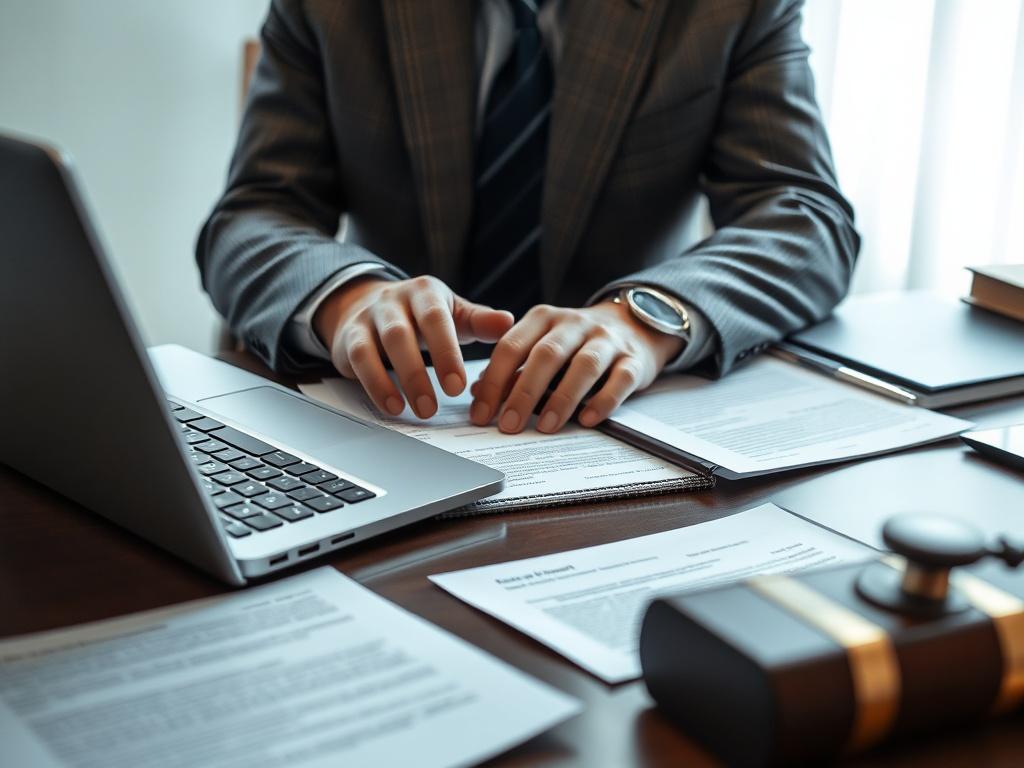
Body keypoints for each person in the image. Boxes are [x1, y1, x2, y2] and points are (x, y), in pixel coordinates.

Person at [197, 0, 858, 436]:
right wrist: (347, 301)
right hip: (381, 413)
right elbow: (254, 214)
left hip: (609, 425)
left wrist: (645, 320)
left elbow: (806, 218)